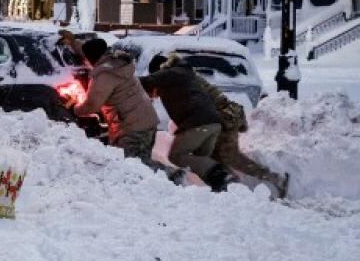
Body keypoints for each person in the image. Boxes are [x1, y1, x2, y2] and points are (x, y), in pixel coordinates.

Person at [149, 55, 289, 197]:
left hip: (222, 116)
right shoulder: (183, 76)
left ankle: (270, 179)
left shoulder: (178, 79)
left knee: (229, 157)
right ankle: (235, 189)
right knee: (216, 160)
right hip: (219, 117)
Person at [59, 34, 166, 173]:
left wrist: (75, 109)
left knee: (134, 168)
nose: (85, 60)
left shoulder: (105, 74)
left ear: (93, 58)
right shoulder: (115, 61)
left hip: (132, 129)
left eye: (87, 58)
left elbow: (92, 104)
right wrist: (73, 42)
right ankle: (160, 187)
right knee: (141, 163)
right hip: (145, 122)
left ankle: (174, 176)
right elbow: (86, 50)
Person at [140, 54, 233, 192]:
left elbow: (145, 81)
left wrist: (125, 81)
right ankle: (218, 188)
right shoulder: (183, 73)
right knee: (199, 160)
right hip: (213, 123)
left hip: (198, 123)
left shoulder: (170, 73)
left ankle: (219, 172)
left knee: (175, 155)